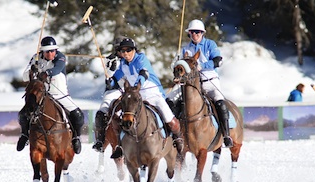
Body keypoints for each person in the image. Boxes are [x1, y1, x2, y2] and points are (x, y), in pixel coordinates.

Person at [99, 37, 184, 158]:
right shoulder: (123, 63)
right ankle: (120, 145)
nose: (126, 53)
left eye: (128, 50)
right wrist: (110, 81)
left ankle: (177, 140)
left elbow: (143, 73)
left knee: (171, 121)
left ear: (134, 50)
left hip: (152, 94)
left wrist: (136, 86)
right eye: (123, 51)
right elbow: (116, 77)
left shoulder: (141, 58)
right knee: (120, 117)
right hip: (135, 96)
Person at [167, 19, 233, 148]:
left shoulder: (210, 44)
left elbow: (218, 61)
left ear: (202, 33)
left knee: (220, 101)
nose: (195, 34)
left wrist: (202, 66)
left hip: (209, 80)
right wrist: (175, 64)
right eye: (192, 32)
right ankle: (174, 135)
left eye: (198, 32)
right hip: (190, 84)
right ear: (189, 33)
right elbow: (180, 67)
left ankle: (226, 135)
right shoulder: (186, 48)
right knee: (170, 100)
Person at [17, 36, 84, 154]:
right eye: (47, 51)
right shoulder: (36, 58)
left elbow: (58, 69)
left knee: (77, 115)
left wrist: (46, 73)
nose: (50, 53)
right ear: (43, 51)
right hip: (41, 95)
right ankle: (24, 135)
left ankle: (76, 138)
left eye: (52, 50)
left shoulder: (60, 57)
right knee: (23, 114)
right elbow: (24, 76)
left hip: (59, 94)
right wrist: (32, 71)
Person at [92, 36, 125, 153]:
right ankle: (100, 140)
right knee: (102, 112)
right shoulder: (110, 59)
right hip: (114, 91)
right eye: (121, 49)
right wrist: (111, 70)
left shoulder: (132, 59)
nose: (123, 52)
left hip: (131, 90)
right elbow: (109, 81)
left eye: (125, 49)